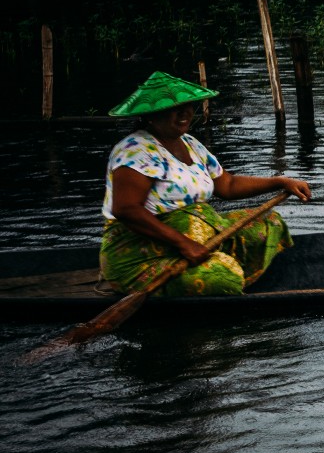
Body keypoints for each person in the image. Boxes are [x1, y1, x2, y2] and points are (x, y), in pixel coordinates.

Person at [99, 72, 312, 296]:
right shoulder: (135, 150)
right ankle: (219, 272)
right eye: (174, 108)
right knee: (223, 279)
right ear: (151, 115)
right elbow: (125, 210)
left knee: (270, 223)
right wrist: (183, 243)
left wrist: (280, 182)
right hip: (143, 254)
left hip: (194, 243)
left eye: (190, 105)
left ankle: (217, 264)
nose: (185, 113)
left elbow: (227, 185)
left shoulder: (190, 143)